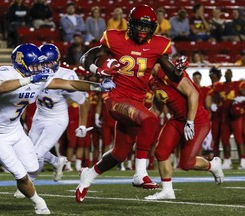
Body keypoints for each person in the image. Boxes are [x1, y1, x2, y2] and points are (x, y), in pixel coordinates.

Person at [0, 43, 115, 214]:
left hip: (15, 129)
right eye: (34, 65)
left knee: (32, 167)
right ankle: (39, 203)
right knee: (20, 174)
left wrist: (98, 87)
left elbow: (70, 84)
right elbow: (0, 88)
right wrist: (30, 79)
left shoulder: (39, 77)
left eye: (39, 64)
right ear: (21, 63)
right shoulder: (6, 72)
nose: (39, 68)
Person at [75, 4, 186, 203]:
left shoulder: (159, 45)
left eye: (147, 27)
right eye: (140, 26)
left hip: (137, 101)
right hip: (115, 97)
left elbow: (173, 75)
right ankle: (139, 174)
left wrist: (178, 70)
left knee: (119, 154)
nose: (143, 31)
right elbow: (86, 57)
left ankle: (88, 176)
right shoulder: (114, 38)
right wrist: (98, 70)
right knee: (150, 120)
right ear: (130, 25)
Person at [13, 43, 91, 198]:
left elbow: (83, 101)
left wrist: (83, 124)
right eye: (43, 63)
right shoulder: (34, 71)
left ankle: (29, 184)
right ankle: (56, 162)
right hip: (39, 116)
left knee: (35, 154)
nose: (46, 66)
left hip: (57, 119)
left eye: (49, 62)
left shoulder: (67, 76)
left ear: (57, 61)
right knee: (28, 150)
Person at [144, 57, 224, 200]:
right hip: (177, 119)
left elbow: (193, 93)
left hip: (196, 119)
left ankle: (213, 165)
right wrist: (139, 117)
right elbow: (157, 108)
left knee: (186, 164)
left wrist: (190, 122)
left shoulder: (167, 72)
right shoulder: (153, 80)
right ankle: (167, 191)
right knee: (161, 152)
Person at [209, 69, 245, 169]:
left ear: (232, 74)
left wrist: (244, 98)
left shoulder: (238, 84)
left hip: (235, 116)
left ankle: (243, 160)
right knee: (224, 139)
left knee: (239, 139)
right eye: (226, 73)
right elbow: (215, 96)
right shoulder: (219, 86)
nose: (228, 75)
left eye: (229, 73)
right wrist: (213, 103)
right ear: (224, 75)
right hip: (224, 116)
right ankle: (227, 160)